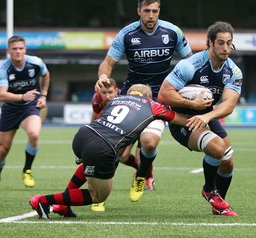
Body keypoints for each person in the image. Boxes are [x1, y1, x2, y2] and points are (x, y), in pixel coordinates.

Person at [29, 84, 200, 219]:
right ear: (148, 96)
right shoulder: (152, 104)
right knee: (97, 196)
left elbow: (101, 118)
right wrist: (203, 114)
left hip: (83, 136)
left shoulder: (115, 100)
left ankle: (64, 204)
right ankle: (43, 201)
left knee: (91, 163)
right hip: (102, 147)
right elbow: (181, 120)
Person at [94, 0, 192, 202]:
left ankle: (141, 176)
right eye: (146, 11)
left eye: (154, 11)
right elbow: (108, 62)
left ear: (159, 11)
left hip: (160, 97)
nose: (151, 15)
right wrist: (103, 76)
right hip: (132, 97)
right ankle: (145, 169)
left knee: (148, 143)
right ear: (139, 11)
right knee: (119, 155)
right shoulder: (127, 34)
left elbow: (190, 62)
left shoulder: (173, 32)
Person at [156, 21, 242, 216]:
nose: (226, 48)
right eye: (221, 43)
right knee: (218, 148)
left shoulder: (234, 71)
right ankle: (209, 190)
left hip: (206, 116)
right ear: (209, 43)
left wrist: (207, 116)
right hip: (182, 119)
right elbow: (163, 94)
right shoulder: (190, 65)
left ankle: (217, 204)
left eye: (229, 43)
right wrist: (193, 105)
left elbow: (229, 104)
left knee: (228, 162)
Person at [0, 35, 50, 187]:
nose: (18, 51)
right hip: (10, 109)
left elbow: (46, 74)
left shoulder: (35, 62)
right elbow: (2, 94)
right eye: (14, 49)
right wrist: (22, 96)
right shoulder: (4, 68)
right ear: (8, 50)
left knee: (34, 135)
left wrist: (43, 95)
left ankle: (27, 170)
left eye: (20, 48)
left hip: (30, 107)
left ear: (25, 49)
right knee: (3, 149)